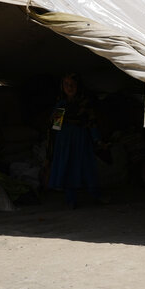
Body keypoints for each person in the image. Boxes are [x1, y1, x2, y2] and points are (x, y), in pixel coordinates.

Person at [47, 74, 100, 208]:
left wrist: (97, 139)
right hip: (64, 141)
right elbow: (56, 126)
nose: (69, 88)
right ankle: (71, 200)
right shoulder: (61, 103)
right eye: (66, 85)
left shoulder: (85, 103)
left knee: (86, 166)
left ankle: (96, 196)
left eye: (72, 85)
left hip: (81, 139)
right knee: (68, 167)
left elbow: (92, 122)